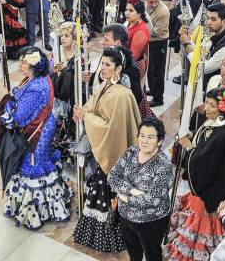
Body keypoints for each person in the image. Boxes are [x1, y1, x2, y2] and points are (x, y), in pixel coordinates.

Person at [72, 46, 143, 253]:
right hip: (106, 148)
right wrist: (83, 110)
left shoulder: (121, 95)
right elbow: (94, 105)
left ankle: (112, 237)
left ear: (119, 68)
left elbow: (109, 127)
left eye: (108, 65)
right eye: (102, 63)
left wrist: (86, 117)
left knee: (110, 193)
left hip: (114, 151)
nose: (103, 68)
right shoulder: (106, 85)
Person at [165, 87, 225, 261]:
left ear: (223, 109)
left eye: (211, 105)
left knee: (200, 231)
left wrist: (189, 147)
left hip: (210, 194)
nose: (206, 108)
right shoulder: (220, 124)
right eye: (206, 102)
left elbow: (204, 164)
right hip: (207, 188)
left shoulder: (224, 135)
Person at [1, 46, 72, 229]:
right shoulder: (39, 78)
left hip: (36, 133)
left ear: (34, 65)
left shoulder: (36, 87)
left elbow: (20, 117)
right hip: (44, 126)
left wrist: (8, 106)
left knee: (34, 166)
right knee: (42, 161)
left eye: (24, 62)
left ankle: (36, 213)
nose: (20, 65)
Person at [108, 119, 173, 261]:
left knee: (152, 256)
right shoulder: (131, 152)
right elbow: (112, 177)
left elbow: (151, 200)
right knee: (134, 255)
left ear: (160, 141)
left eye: (150, 137)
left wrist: (124, 197)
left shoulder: (163, 166)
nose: (144, 141)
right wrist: (132, 190)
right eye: (142, 136)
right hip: (126, 217)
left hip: (151, 221)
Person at [51, 22, 78, 165]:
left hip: (72, 93)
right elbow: (50, 73)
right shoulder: (57, 52)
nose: (63, 38)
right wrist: (55, 71)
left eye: (67, 36)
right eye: (61, 36)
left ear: (74, 37)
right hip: (59, 93)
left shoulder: (78, 53)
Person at [146, 0, 169, 107]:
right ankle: (153, 90)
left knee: (158, 71)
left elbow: (156, 31)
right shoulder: (145, 5)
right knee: (150, 68)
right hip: (150, 42)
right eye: (151, 2)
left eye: (156, 1)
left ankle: (158, 97)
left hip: (159, 42)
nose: (154, 4)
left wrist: (141, 31)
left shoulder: (163, 11)